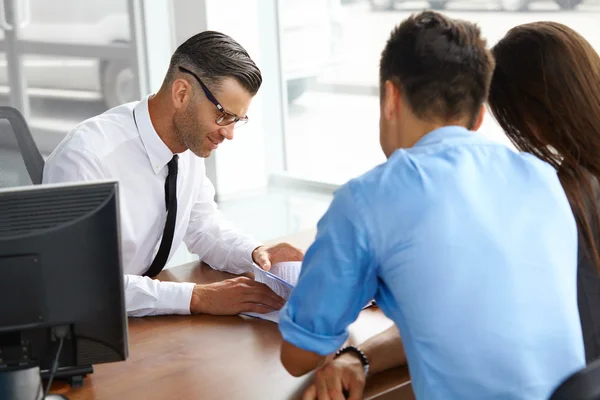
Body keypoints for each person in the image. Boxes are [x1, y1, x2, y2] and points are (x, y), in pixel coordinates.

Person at [278, 11, 585, 400]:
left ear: (391, 97)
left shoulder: (368, 198)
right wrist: (361, 354)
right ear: (478, 117)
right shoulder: (541, 177)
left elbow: (299, 356)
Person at [43, 31, 303, 317]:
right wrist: (196, 297)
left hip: (139, 317)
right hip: (89, 324)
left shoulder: (187, 146)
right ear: (181, 94)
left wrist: (254, 253)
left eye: (237, 121)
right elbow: (82, 285)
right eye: (223, 116)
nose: (228, 134)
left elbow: (204, 227)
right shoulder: (87, 158)